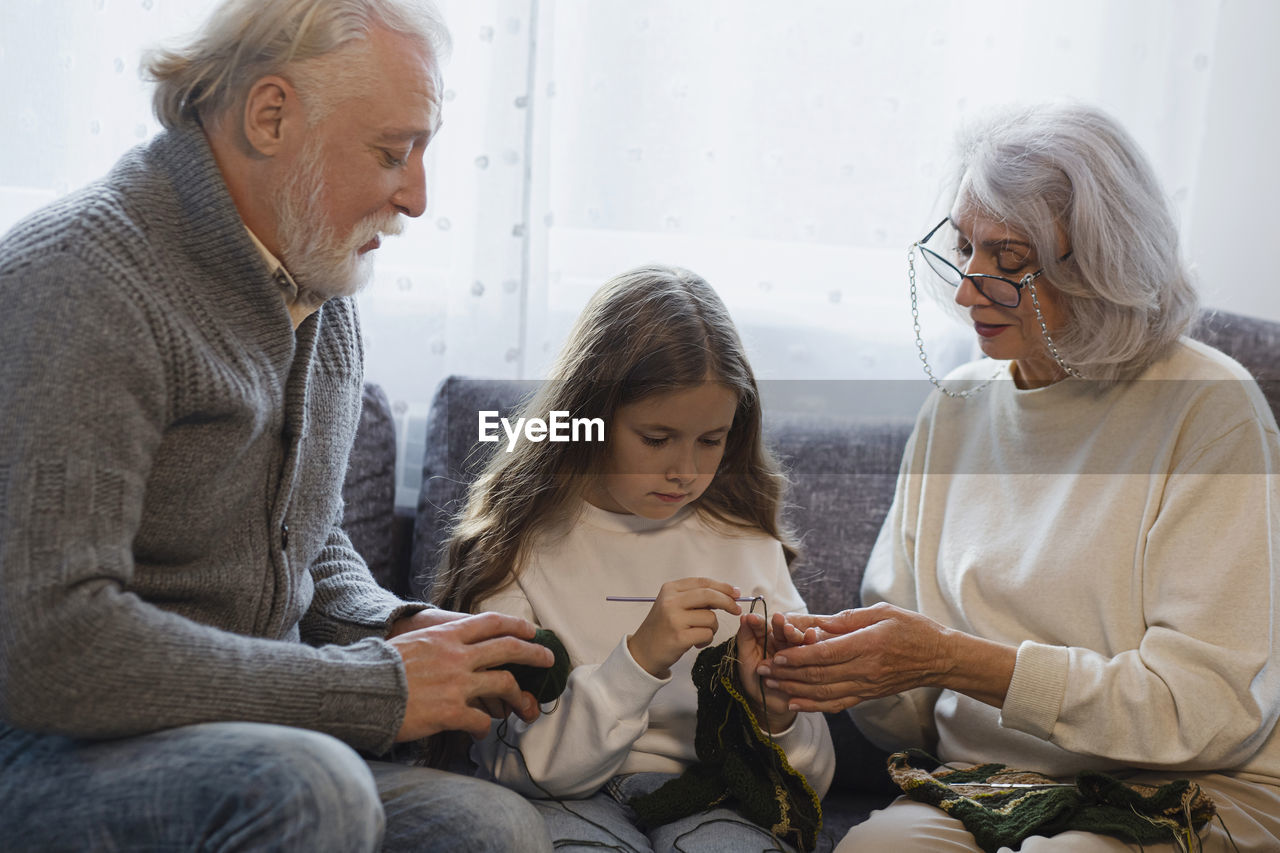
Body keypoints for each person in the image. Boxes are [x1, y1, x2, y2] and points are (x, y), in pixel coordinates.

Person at [0, 1, 556, 850]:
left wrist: (391, 627)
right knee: (310, 788)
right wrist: (375, 687)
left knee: (490, 828)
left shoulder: (318, 282)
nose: (417, 197)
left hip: (242, 734)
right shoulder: (85, 281)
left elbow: (303, 536)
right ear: (271, 115)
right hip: (47, 742)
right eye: (392, 151)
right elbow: (54, 644)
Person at [757, 102, 1280, 851]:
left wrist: (953, 656)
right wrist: (834, 664)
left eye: (1007, 260)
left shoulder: (1209, 409)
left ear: (1105, 258)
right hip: (991, 782)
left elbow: (1206, 709)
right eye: (965, 249)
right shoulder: (958, 408)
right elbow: (911, 713)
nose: (969, 290)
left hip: (1192, 785)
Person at [431, 265, 836, 852]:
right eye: (656, 439)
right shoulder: (517, 547)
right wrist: (640, 660)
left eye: (711, 440)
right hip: (563, 798)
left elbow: (808, 789)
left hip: (711, 797)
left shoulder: (747, 542)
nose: (685, 471)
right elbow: (525, 770)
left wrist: (775, 712)